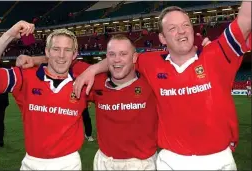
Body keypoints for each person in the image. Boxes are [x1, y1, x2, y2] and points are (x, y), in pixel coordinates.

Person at [70, 1, 251, 170]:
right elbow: (121, 58)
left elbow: (246, 17)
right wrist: (92, 69)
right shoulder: (151, 63)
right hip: (171, 161)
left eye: (186, 25)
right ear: (162, 38)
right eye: (172, 28)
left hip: (217, 160)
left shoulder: (218, 54)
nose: (181, 31)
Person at [17, 34, 159, 170]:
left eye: (123, 54)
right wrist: (35, 59)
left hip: (142, 163)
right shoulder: (96, 81)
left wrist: (93, 68)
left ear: (134, 57)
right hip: (105, 161)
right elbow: (62, 58)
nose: (117, 59)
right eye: (112, 54)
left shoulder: (151, 81)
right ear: (106, 57)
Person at [0, 21, 90, 170]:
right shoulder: (25, 76)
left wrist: (93, 70)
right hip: (31, 163)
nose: (61, 55)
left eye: (67, 50)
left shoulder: (84, 81)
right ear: (47, 52)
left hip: (68, 163)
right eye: (56, 49)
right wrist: (8, 36)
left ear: (75, 55)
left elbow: (119, 64)